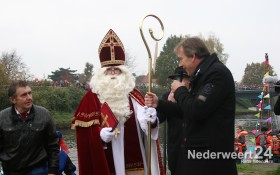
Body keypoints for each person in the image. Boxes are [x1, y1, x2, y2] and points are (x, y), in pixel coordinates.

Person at [71, 29, 165, 175]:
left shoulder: (133, 95)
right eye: (109, 70)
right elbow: (83, 133)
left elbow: (146, 124)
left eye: (117, 69)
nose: (113, 73)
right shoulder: (92, 97)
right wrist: (99, 135)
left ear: (124, 72)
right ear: (102, 73)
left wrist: (151, 120)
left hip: (134, 160)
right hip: (105, 157)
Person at [145, 37, 237, 175]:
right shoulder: (202, 75)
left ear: (193, 56)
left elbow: (196, 110)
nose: (180, 64)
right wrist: (159, 103)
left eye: (181, 59)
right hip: (198, 158)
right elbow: (186, 110)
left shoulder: (216, 74)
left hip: (210, 160)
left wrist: (179, 90)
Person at [0, 80, 59, 175]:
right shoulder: (1, 118)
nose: (29, 98)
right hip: (10, 171)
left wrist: (53, 171)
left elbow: (53, 145)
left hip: (38, 170)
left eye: (30, 93)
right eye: (24, 95)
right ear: (12, 100)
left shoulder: (44, 115)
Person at [157, 66, 190, 174]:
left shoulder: (194, 96)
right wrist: (168, 104)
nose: (177, 82)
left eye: (181, 79)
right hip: (174, 145)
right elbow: (159, 118)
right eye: (176, 79)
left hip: (191, 146)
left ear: (189, 81)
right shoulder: (167, 96)